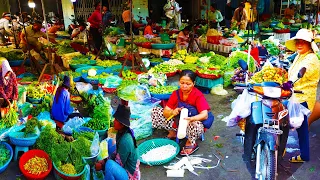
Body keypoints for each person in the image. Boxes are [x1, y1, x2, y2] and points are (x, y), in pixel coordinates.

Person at [151, 70, 213, 155]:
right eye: (182, 83)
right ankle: (172, 133)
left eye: (188, 84)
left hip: (192, 122)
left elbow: (204, 115)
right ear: (179, 82)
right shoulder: (176, 93)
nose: (184, 86)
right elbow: (166, 111)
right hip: (178, 120)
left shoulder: (198, 95)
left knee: (196, 124)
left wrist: (191, 119)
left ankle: (190, 142)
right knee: (156, 111)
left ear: (193, 83)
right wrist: (172, 112)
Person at [284, 29, 320, 163]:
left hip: (302, 97)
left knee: (286, 120)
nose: (299, 44)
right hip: (296, 94)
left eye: (303, 42)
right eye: (298, 42)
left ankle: (279, 148)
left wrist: (289, 83)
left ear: (309, 44)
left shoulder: (310, 59)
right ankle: (304, 154)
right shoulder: (300, 55)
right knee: (302, 128)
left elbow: (301, 72)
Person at [104, 104, 140, 180]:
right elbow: (117, 152)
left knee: (109, 165)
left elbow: (118, 162)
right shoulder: (121, 132)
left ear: (122, 124)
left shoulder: (125, 141)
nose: (114, 121)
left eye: (116, 120)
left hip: (130, 175)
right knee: (110, 142)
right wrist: (104, 160)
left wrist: (103, 165)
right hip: (124, 165)